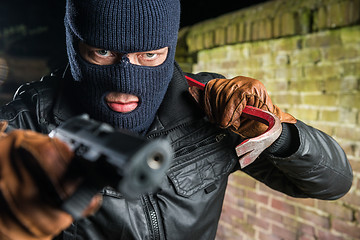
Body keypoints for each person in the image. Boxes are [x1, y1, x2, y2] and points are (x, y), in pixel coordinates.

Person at [0, 0, 353, 239]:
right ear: (76, 46)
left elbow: (333, 183)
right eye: (102, 52)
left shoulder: (211, 106)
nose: (125, 82)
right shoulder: (29, 123)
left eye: (150, 54)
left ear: (169, 50)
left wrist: (278, 135)